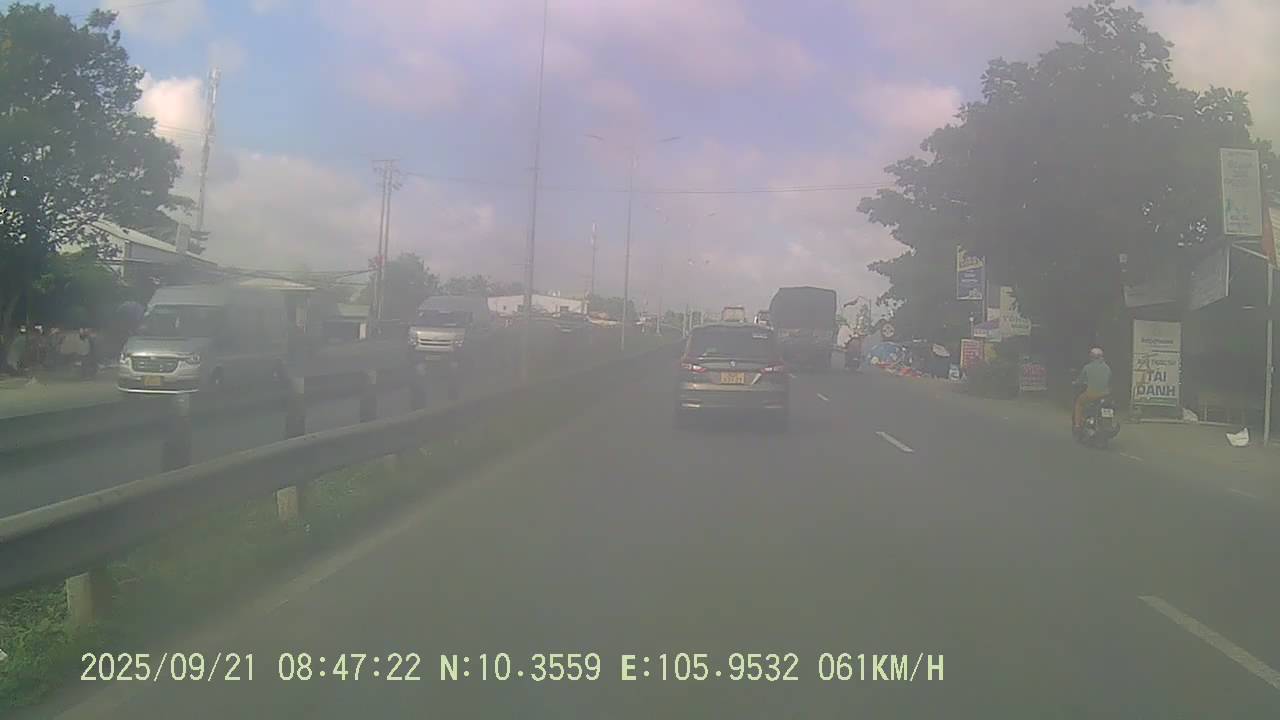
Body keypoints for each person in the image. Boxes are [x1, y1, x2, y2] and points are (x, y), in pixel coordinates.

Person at [1074, 347, 1112, 430]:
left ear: (1092, 357)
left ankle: (1077, 425)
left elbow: (1080, 380)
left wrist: (1075, 383)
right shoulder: (1107, 368)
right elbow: (1109, 380)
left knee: (1079, 403)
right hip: (1105, 394)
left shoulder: (1087, 367)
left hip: (1091, 394)